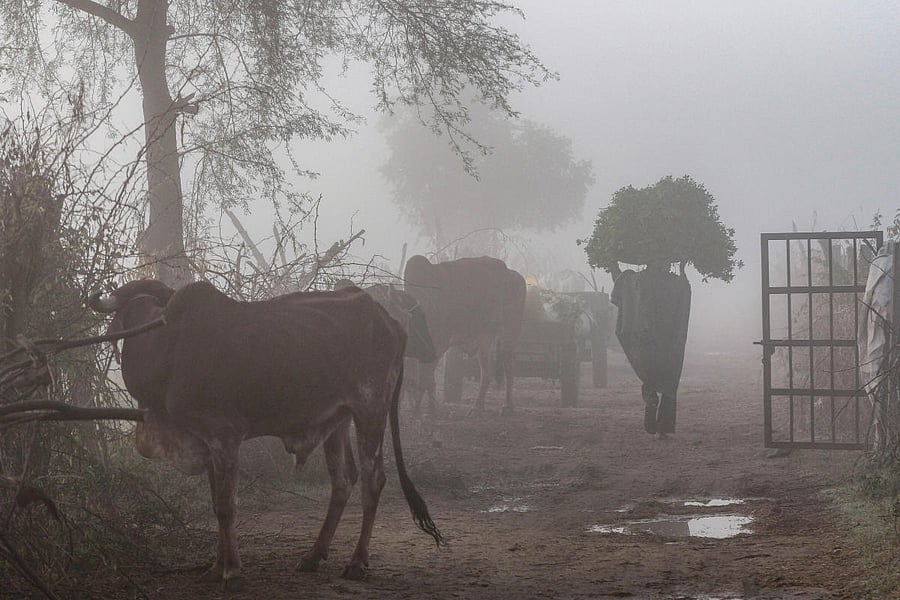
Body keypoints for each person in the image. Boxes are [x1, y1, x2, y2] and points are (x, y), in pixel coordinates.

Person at [609, 261, 691, 438]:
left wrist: (612, 261)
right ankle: (663, 428)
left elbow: (619, 283)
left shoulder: (635, 280)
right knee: (670, 382)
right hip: (670, 342)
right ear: (668, 263)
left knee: (649, 374)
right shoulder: (675, 283)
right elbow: (685, 292)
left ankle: (651, 399)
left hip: (645, 341)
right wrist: (683, 270)